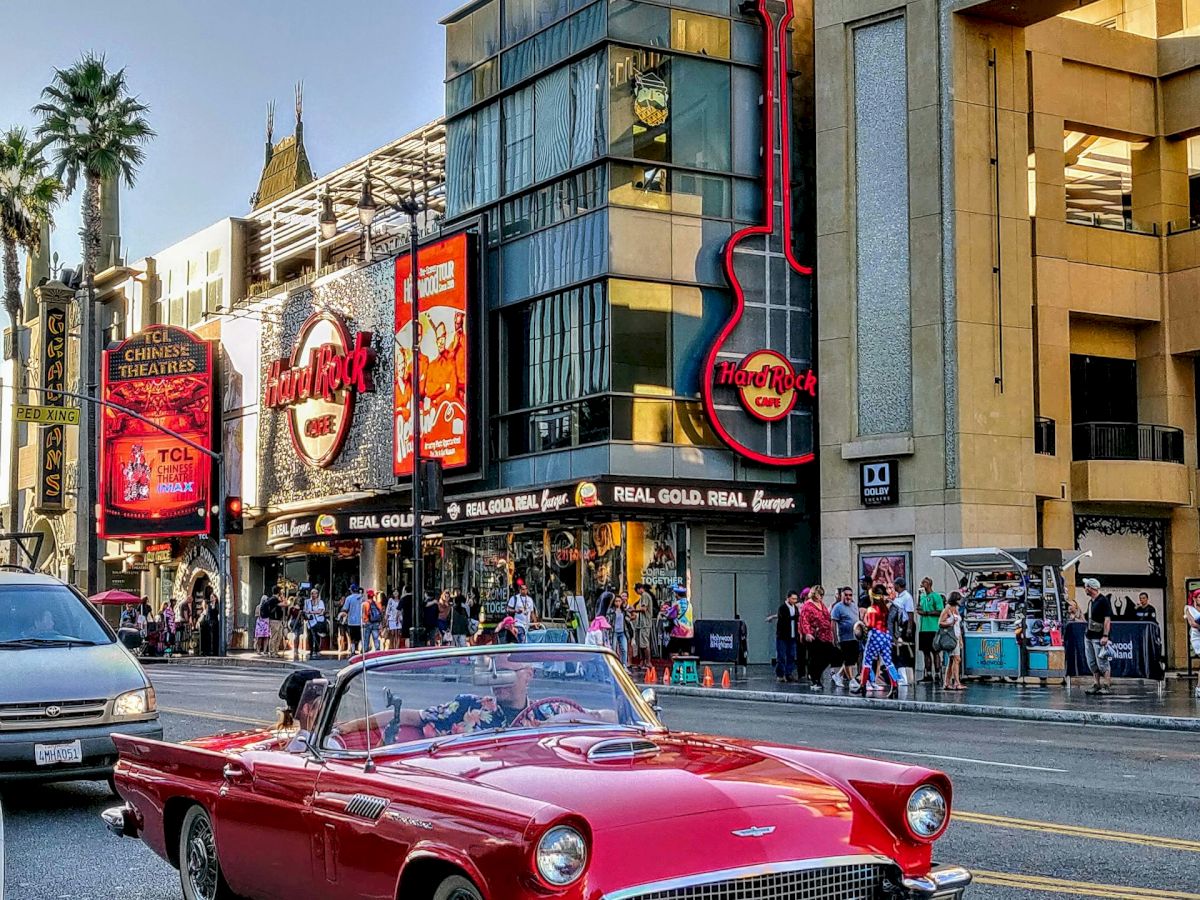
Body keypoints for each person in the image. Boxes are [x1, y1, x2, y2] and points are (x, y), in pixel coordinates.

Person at [856, 586, 903, 695]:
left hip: (875, 635)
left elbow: (871, 625)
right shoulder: (885, 608)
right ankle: (894, 686)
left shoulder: (872, 609)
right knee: (888, 662)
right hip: (886, 635)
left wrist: (864, 623)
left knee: (867, 661)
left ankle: (863, 685)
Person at [799, 586, 836, 692]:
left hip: (826, 635)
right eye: (820, 594)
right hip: (815, 635)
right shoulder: (808, 606)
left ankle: (816, 674)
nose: (821, 597)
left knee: (830, 655)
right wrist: (807, 633)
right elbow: (804, 620)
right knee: (816, 657)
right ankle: (815, 678)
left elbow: (827, 617)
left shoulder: (821, 604)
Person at [1082, 577, 1113, 696]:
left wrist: (1105, 635)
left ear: (1091, 588)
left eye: (1087, 587)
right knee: (1092, 661)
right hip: (1089, 635)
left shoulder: (1103, 601)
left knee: (1102, 661)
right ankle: (1096, 684)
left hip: (1098, 636)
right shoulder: (1091, 602)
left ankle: (1106, 684)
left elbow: (1107, 619)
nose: (1085, 589)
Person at [830, 587, 861, 690]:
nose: (848, 597)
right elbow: (833, 623)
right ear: (841, 595)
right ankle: (851, 679)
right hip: (844, 638)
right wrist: (834, 638)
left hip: (855, 637)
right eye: (846, 595)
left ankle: (838, 675)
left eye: (850, 595)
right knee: (848, 660)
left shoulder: (854, 606)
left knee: (853, 659)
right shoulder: (837, 607)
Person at [916, 577, 945, 683]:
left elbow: (940, 611)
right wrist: (919, 597)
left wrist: (927, 613)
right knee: (925, 652)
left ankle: (937, 674)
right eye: (922, 582)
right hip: (923, 628)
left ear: (929, 584)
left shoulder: (936, 596)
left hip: (933, 628)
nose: (922, 584)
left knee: (935, 652)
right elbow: (919, 608)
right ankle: (927, 674)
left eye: (924, 582)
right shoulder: (923, 596)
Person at [888, 580, 916, 686]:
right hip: (900, 626)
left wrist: (909, 628)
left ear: (898, 585)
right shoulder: (899, 597)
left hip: (906, 626)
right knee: (898, 651)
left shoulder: (907, 597)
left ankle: (904, 678)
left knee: (904, 651)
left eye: (894, 585)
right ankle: (900, 676)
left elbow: (910, 613)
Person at [771, 591, 801, 683]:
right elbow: (784, 618)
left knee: (791, 655)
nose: (794, 601)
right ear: (788, 598)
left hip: (792, 635)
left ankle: (789, 673)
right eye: (793, 599)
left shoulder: (795, 608)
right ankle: (780, 674)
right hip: (783, 636)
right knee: (781, 656)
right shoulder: (783, 608)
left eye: (796, 599)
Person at [939, 593, 965, 690]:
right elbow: (940, 623)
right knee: (956, 659)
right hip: (951, 636)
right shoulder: (947, 609)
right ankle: (956, 682)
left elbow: (958, 626)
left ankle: (947, 682)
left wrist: (961, 639)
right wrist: (950, 623)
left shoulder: (956, 609)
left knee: (951, 660)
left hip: (957, 636)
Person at [304, 588, 327, 661]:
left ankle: (317, 650)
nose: (313, 595)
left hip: (318, 621)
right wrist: (308, 614)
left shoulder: (320, 602)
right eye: (312, 593)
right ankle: (310, 650)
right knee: (310, 636)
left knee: (317, 636)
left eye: (315, 593)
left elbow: (320, 611)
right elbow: (305, 610)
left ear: (317, 594)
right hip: (310, 621)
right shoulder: (307, 602)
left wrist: (310, 612)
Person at [342, 585, 365, 657]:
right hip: (361, 620)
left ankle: (353, 651)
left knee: (352, 637)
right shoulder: (362, 598)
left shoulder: (348, 598)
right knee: (361, 637)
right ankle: (361, 650)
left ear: (351, 590)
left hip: (351, 621)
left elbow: (345, 609)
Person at [1184, 600, 1200, 697]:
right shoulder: (1189, 608)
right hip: (1197, 637)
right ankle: (1198, 688)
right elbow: (1193, 624)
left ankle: (1198, 687)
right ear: (1194, 598)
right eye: (1199, 597)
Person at [611, 592, 631, 666]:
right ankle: (613, 665)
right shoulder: (611, 611)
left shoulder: (623, 611)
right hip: (614, 632)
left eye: (619, 601)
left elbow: (629, 618)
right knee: (613, 649)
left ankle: (624, 665)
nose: (618, 603)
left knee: (624, 650)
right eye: (616, 601)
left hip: (622, 632)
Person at [267, 586, 286, 657]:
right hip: (274, 620)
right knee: (274, 637)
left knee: (279, 636)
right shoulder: (273, 599)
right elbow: (285, 604)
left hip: (278, 620)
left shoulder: (276, 599)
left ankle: (276, 651)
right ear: (278, 592)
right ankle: (272, 652)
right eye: (281, 591)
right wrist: (283, 596)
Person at [254, 591, 272, 655]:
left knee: (266, 637)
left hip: (266, 622)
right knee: (260, 637)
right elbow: (256, 614)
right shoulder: (258, 607)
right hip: (261, 623)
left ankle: (264, 650)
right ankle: (258, 650)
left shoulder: (268, 607)